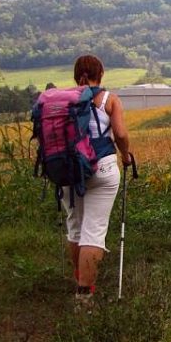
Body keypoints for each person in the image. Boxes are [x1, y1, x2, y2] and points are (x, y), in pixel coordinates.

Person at [65, 54, 132, 309]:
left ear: (75, 75)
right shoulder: (108, 99)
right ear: (100, 74)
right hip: (101, 168)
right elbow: (122, 134)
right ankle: (84, 297)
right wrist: (125, 156)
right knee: (93, 231)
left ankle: (80, 281)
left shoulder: (64, 101)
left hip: (69, 170)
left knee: (76, 229)